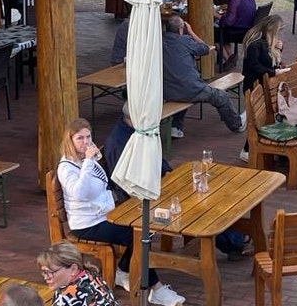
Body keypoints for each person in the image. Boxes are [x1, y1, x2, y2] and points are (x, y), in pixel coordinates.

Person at [57, 118, 185, 306]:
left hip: (105, 214)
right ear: (70, 141)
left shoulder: (84, 160)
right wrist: (89, 163)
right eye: (80, 138)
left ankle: (123, 270)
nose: (86, 142)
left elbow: (103, 185)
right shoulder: (67, 168)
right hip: (87, 224)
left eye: (88, 137)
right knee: (138, 236)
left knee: (147, 225)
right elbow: (80, 193)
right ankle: (156, 288)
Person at [102, 106, 252, 259]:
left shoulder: (140, 132)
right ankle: (234, 243)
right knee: (194, 204)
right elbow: (123, 184)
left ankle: (234, 240)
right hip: (140, 196)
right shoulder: (118, 143)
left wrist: (168, 172)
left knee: (202, 193)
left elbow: (156, 157)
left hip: (158, 184)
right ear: (136, 117)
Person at [164, 16, 245, 139]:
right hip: (190, 89)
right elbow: (205, 48)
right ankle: (237, 124)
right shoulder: (185, 41)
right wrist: (191, 32)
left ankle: (176, 127)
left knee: (181, 85)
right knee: (221, 96)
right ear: (181, 29)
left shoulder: (159, 42)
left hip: (167, 92)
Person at [238, 14, 287, 162]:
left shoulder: (265, 44)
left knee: (263, 119)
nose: (278, 36)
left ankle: (257, 145)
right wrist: (274, 72)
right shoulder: (255, 45)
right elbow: (255, 66)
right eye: (277, 32)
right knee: (256, 120)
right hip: (253, 86)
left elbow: (270, 63)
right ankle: (247, 149)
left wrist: (279, 50)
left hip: (262, 86)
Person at [215, 0, 256, 67]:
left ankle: (228, 60)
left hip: (238, 32)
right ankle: (231, 56)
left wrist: (216, 15)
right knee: (223, 32)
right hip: (248, 29)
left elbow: (229, 21)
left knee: (214, 36)